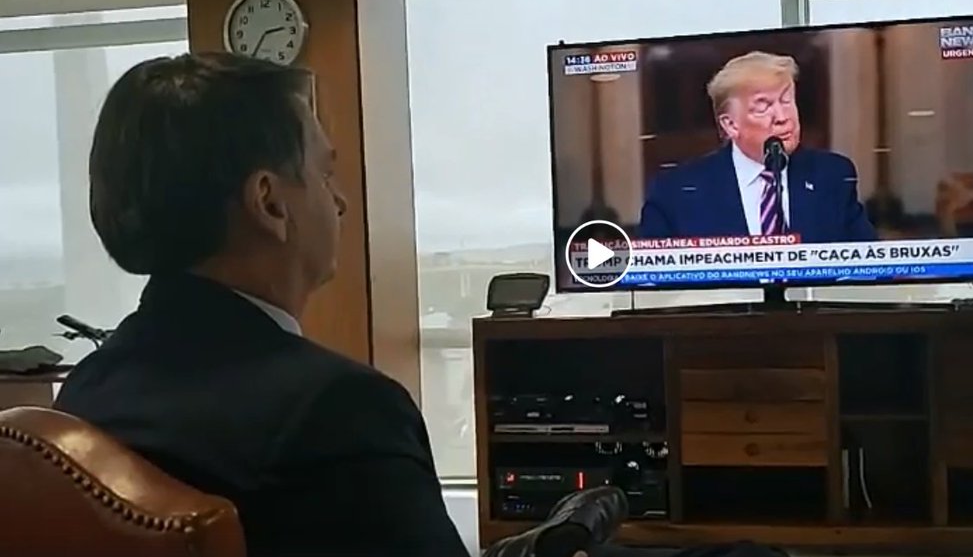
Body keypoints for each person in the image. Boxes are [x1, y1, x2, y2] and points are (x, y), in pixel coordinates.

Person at [52, 52, 783, 557]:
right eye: (325, 173)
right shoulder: (336, 408)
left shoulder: (84, 398)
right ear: (270, 203)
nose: (340, 202)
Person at [638, 51, 876, 242]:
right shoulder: (676, 192)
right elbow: (654, 281)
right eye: (763, 107)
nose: (782, 117)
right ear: (731, 125)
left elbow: (868, 267)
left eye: (786, 100)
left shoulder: (831, 177)